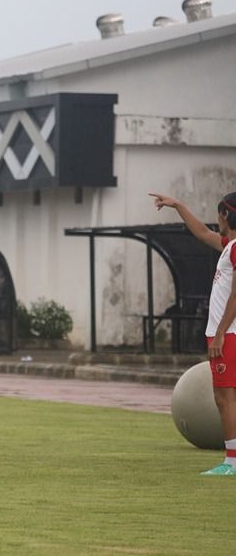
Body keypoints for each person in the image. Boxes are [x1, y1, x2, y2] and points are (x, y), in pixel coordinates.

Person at [150, 191, 236, 475]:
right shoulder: (229, 245)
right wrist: (178, 206)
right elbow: (202, 233)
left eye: (218, 214)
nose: (215, 221)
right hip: (225, 333)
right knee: (224, 397)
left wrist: (222, 332)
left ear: (226, 214)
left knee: (224, 398)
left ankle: (232, 463)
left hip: (229, 334)